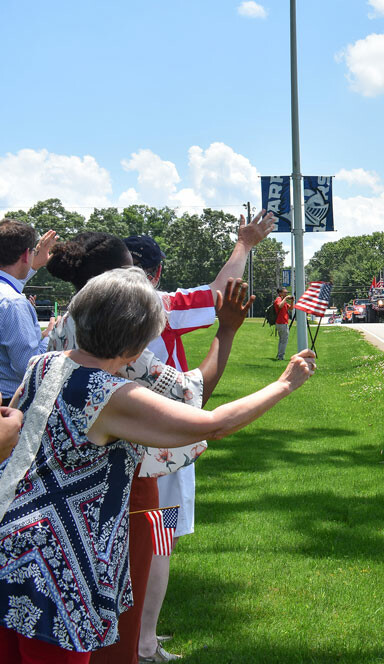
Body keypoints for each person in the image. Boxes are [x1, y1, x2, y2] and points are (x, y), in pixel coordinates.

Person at [0, 267, 314, 663]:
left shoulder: (43, 364)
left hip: (12, 546)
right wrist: (284, 383)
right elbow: (214, 424)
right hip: (62, 566)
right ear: (136, 344)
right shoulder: (109, 393)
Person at [43, 231, 254, 664]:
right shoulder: (135, 329)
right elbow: (196, 399)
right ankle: (143, 642)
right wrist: (229, 330)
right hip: (139, 473)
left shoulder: (60, 327)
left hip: (67, 484)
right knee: (154, 545)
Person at [126, 210, 274, 663]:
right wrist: (244, 245)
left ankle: (126, 633)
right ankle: (145, 642)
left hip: (101, 434)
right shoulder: (157, 306)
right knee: (158, 536)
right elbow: (218, 296)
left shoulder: (80, 310)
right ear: (157, 273)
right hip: (159, 437)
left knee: (120, 535)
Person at [0, 220, 58, 406]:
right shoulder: (14, 304)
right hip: (9, 404)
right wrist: (51, 335)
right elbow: (29, 366)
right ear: (26, 254)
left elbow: (10, 284)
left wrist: (34, 265)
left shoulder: (8, 298)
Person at [273, 287, 294, 361]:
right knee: (284, 340)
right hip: (281, 322)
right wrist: (285, 299)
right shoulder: (278, 299)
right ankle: (280, 356)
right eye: (285, 292)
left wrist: (292, 301)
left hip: (283, 323)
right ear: (280, 293)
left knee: (282, 340)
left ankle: (279, 355)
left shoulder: (283, 300)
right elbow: (279, 306)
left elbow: (291, 308)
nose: (286, 294)